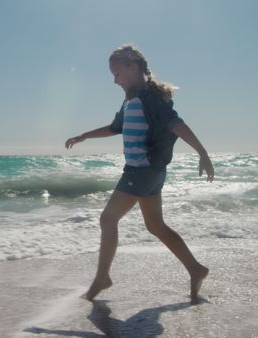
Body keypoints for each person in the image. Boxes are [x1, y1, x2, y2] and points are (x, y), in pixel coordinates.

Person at [65, 45, 214, 302]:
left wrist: (203, 153)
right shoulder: (131, 99)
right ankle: (195, 268)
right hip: (151, 173)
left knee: (107, 219)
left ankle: (102, 277)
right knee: (156, 226)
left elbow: (176, 124)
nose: (115, 80)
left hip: (141, 170)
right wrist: (84, 136)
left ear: (133, 68)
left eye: (117, 74)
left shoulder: (150, 98)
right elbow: (116, 127)